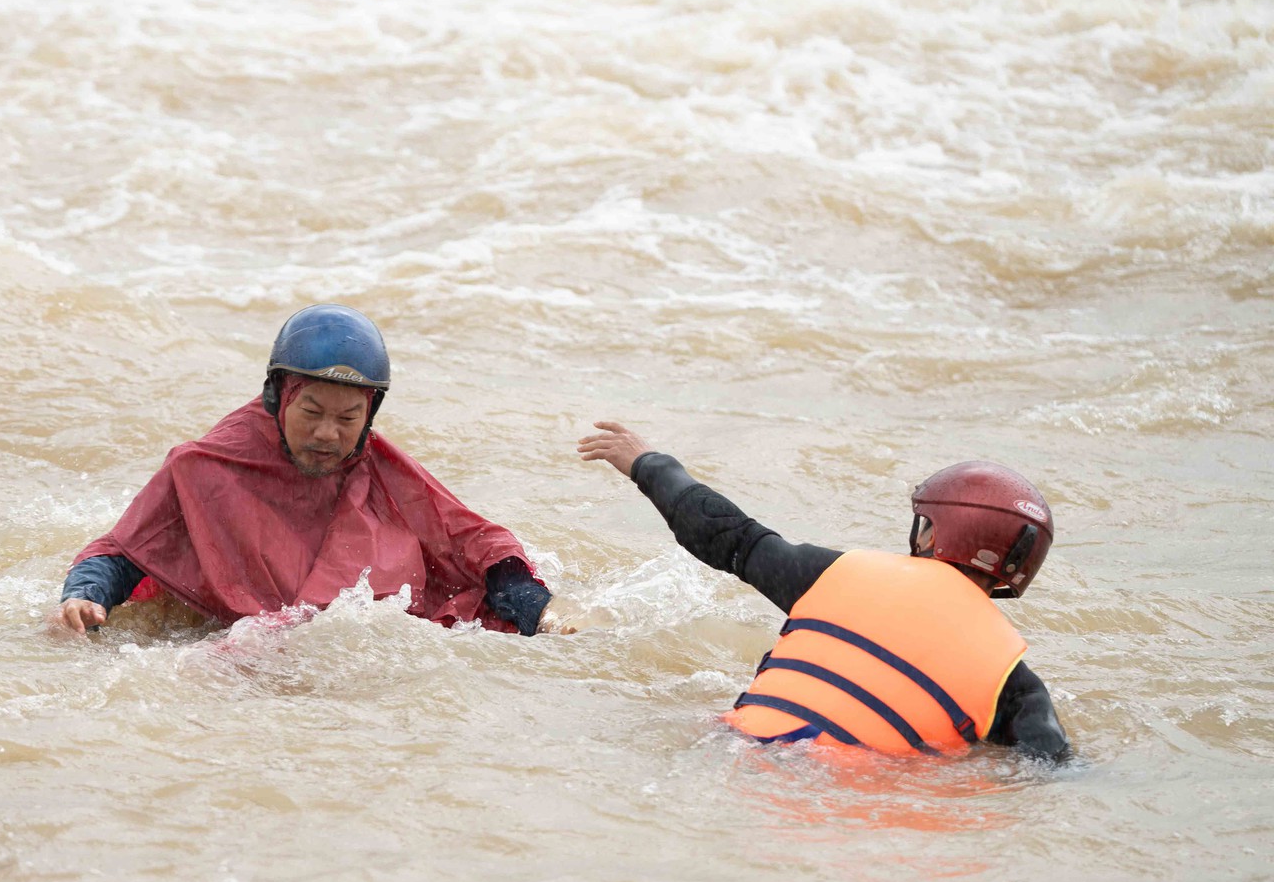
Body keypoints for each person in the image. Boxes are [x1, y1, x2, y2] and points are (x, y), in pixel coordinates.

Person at [57, 304, 566, 635]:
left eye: (348, 419)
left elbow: (473, 543)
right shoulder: (204, 467)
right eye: (312, 412)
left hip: (335, 652)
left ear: (369, 415)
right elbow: (126, 550)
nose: (328, 435)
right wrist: (85, 597)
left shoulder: (379, 466)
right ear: (278, 397)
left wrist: (541, 610)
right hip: (232, 653)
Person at [578, 421, 1070, 761]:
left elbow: (722, 534)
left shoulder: (840, 573)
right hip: (852, 802)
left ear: (932, 533)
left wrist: (648, 463)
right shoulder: (1014, 682)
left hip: (737, 753)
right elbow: (1051, 766)